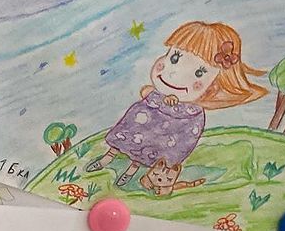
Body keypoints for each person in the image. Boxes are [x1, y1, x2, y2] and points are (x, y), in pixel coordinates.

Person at [86, 21, 266, 188]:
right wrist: (155, 95)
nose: (174, 73)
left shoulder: (193, 113)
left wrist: (172, 104)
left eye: (199, 72)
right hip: (142, 119)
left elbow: (184, 133)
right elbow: (147, 93)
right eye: (174, 57)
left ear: (214, 84)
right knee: (127, 134)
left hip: (164, 131)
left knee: (145, 149)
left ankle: (130, 171)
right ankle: (106, 158)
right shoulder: (161, 91)